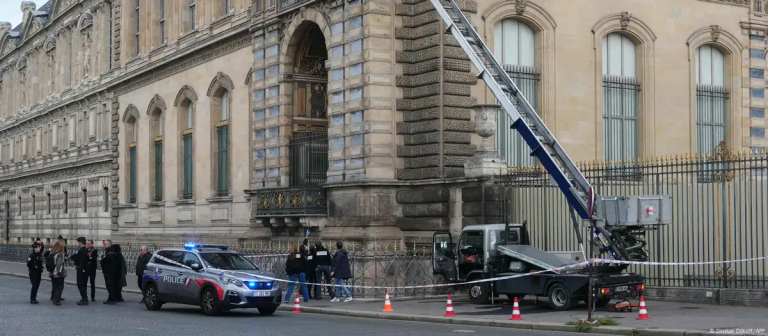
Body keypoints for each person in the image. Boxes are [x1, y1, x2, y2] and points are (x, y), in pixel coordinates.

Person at [50, 240, 67, 306]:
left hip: (52, 271)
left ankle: (54, 298)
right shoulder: (60, 253)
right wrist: (56, 272)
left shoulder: (52, 252)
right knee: (59, 287)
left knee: (55, 286)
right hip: (58, 273)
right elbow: (59, 264)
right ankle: (56, 300)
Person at [73, 237, 89, 305]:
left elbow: (80, 259)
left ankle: (84, 299)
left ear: (80, 243)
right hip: (84, 270)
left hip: (81, 269)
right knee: (83, 285)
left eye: (78, 242)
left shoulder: (82, 250)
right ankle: (84, 298)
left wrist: (74, 258)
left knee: (81, 284)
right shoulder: (85, 250)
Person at [100, 240, 118, 304]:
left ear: (109, 244)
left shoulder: (110, 251)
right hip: (107, 270)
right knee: (109, 285)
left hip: (109, 271)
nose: (104, 245)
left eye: (105, 244)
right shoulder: (108, 251)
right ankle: (110, 298)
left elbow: (108, 260)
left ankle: (112, 299)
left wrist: (103, 258)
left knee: (110, 285)